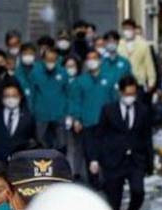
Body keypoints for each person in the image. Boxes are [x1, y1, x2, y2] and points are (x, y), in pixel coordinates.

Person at [97, 75, 152, 210]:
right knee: (114, 198)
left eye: (133, 93)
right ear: (120, 92)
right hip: (114, 160)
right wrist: (98, 159)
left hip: (135, 160)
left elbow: (147, 137)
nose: (130, 97)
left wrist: (149, 162)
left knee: (138, 192)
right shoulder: (108, 110)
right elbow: (100, 135)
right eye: (127, 93)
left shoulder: (142, 110)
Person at [70, 49, 118, 188]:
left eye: (94, 58)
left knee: (106, 153)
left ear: (100, 60)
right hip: (88, 122)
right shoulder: (80, 81)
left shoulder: (109, 78)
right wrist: (77, 118)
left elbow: (114, 99)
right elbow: (76, 101)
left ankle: (108, 181)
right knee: (90, 154)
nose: (92, 61)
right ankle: (94, 183)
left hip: (106, 123)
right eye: (89, 58)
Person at [0, 81, 35, 162]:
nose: (10, 99)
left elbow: (34, 141)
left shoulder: (29, 117)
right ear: (2, 98)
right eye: (7, 96)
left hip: (21, 163)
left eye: (14, 96)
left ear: (20, 96)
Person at [33, 46, 70, 150]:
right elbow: (32, 94)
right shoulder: (35, 72)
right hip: (41, 115)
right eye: (48, 60)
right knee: (40, 145)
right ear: (43, 59)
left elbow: (68, 93)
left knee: (62, 145)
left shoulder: (63, 72)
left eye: (53, 60)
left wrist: (68, 113)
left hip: (59, 114)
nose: (51, 62)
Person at [62, 55, 86, 178]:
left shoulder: (80, 82)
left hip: (76, 118)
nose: (70, 69)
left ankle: (75, 172)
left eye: (73, 66)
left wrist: (76, 118)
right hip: (61, 118)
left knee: (77, 147)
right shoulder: (60, 81)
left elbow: (80, 101)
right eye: (67, 66)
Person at [119, 18, 157, 96]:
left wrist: (151, 81)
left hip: (139, 82)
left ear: (134, 30)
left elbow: (149, 64)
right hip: (122, 81)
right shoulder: (119, 45)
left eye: (129, 29)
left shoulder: (143, 45)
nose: (127, 31)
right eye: (125, 29)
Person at [14, 43, 38, 112]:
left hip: (38, 110)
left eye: (30, 54)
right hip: (21, 110)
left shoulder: (40, 71)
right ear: (21, 55)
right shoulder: (16, 73)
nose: (28, 56)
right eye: (25, 54)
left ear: (34, 55)